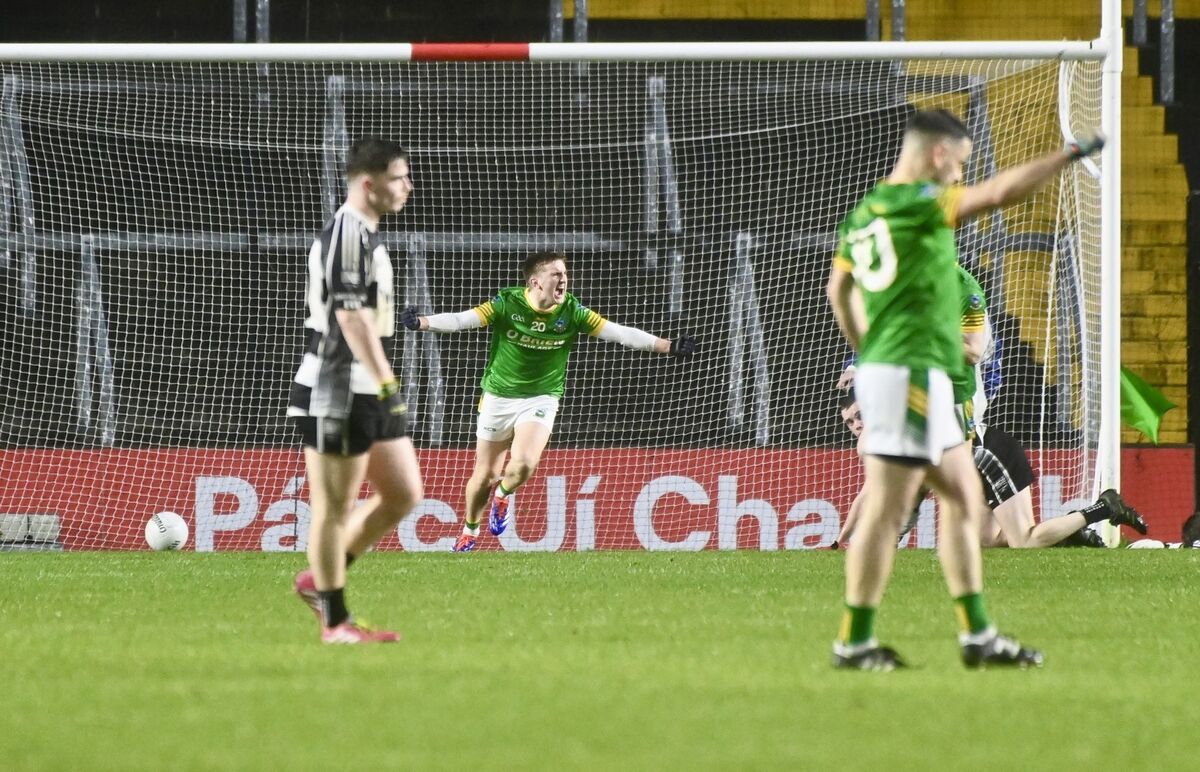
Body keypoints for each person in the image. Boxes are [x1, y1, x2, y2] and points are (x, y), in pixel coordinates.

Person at [825, 108, 1105, 670]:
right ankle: (853, 642)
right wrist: (1069, 154)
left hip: (904, 373)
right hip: (908, 375)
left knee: (958, 497)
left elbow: (839, 290)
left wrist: (869, 348)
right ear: (938, 154)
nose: (959, 176)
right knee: (887, 511)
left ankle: (978, 635)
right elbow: (1000, 193)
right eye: (959, 164)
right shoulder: (919, 203)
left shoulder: (866, 212)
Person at [399, 251, 697, 552]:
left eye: (565, 273)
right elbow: (462, 320)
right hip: (498, 397)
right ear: (535, 282)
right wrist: (423, 322)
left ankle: (503, 495)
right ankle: (470, 530)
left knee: (524, 464)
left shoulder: (573, 311)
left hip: (541, 397)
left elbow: (619, 333)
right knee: (485, 475)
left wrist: (668, 346)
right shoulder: (507, 303)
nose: (564, 279)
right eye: (556, 274)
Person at [286, 137, 423, 644]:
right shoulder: (347, 234)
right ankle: (335, 621)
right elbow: (350, 318)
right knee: (333, 508)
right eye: (399, 177)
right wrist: (388, 381)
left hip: (366, 386)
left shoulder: (366, 234)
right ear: (369, 184)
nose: (408, 186)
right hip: (337, 387)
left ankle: (321, 581)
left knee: (404, 493)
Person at [833, 393, 1146, 549]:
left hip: (989, 455)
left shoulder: (880, 438)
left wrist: (844, 540)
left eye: (860, 415)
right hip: (973, 465)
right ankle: (1067, 534)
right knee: (987, 540)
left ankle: (1104, 507)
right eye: (850, 422)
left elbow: (874, 497)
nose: (857, 424)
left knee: (1023, 541)